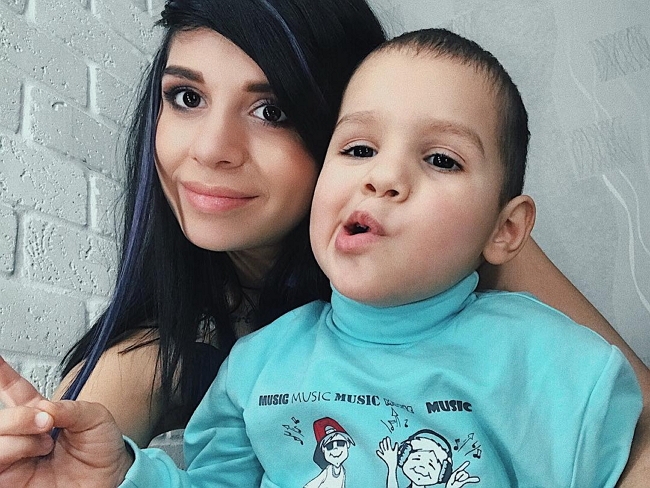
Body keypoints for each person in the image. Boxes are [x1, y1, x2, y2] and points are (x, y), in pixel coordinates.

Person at [0, 0, 649, 484]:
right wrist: (78, 461)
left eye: (272, 110)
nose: (210, 149)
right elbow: (88, 450)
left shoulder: (486, 271)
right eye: (186, 96)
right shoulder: (218, 358)